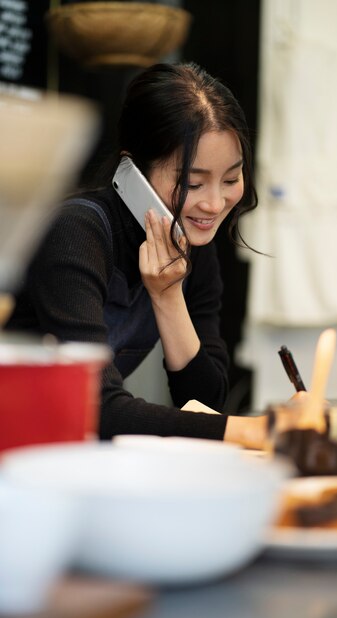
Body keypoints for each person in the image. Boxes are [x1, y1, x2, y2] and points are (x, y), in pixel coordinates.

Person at [5, 62, 279, 449]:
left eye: (231, 179)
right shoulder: (76, 232)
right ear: (133, 171)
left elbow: (203, 401)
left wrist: (169, 297)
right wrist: (251, 429)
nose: (215, 203)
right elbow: (94, 405)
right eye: (192, 183)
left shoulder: (193, 241)